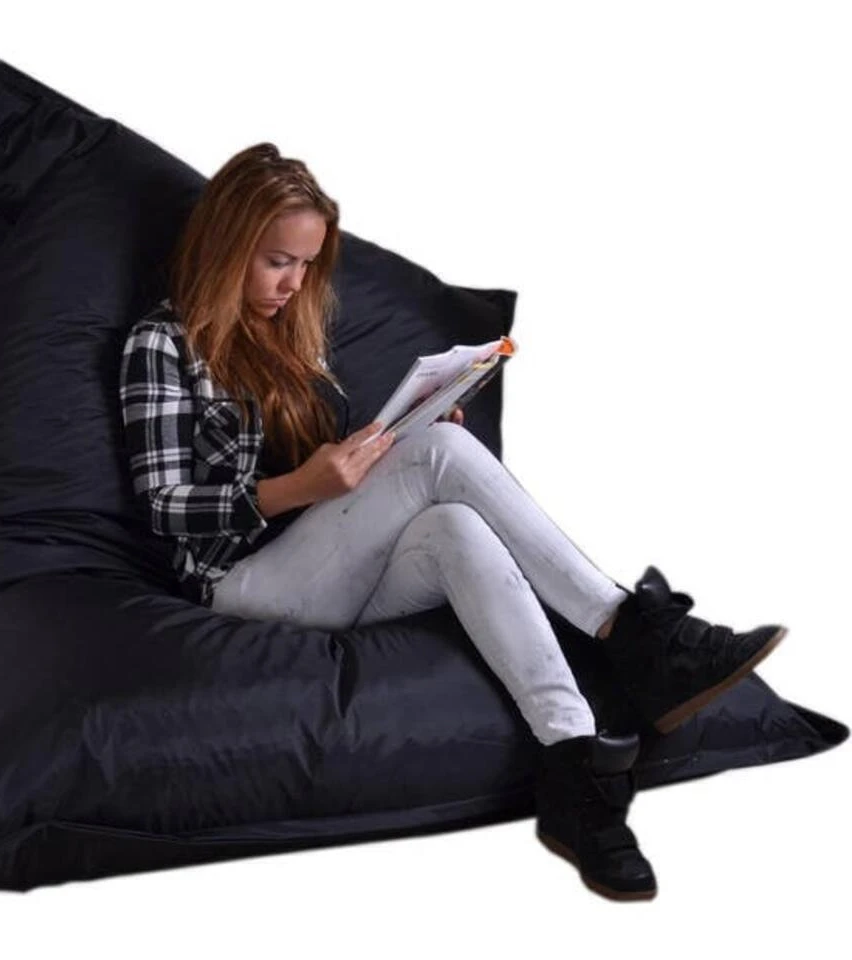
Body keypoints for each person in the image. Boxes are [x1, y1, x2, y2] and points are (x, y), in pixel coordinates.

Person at [118, 142, 787, 902]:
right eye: (277, 261)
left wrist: (387, 443)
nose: (293, 283)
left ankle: (575, 773)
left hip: (320, 565)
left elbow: (323, 483)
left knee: (457, 527)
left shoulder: (284, 335)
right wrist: (308, 484)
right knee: (441, 455)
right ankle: (635, 632)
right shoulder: (161, 342)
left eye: (305, 265)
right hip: (238, 583)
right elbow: (162, 506)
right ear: (226, 244)